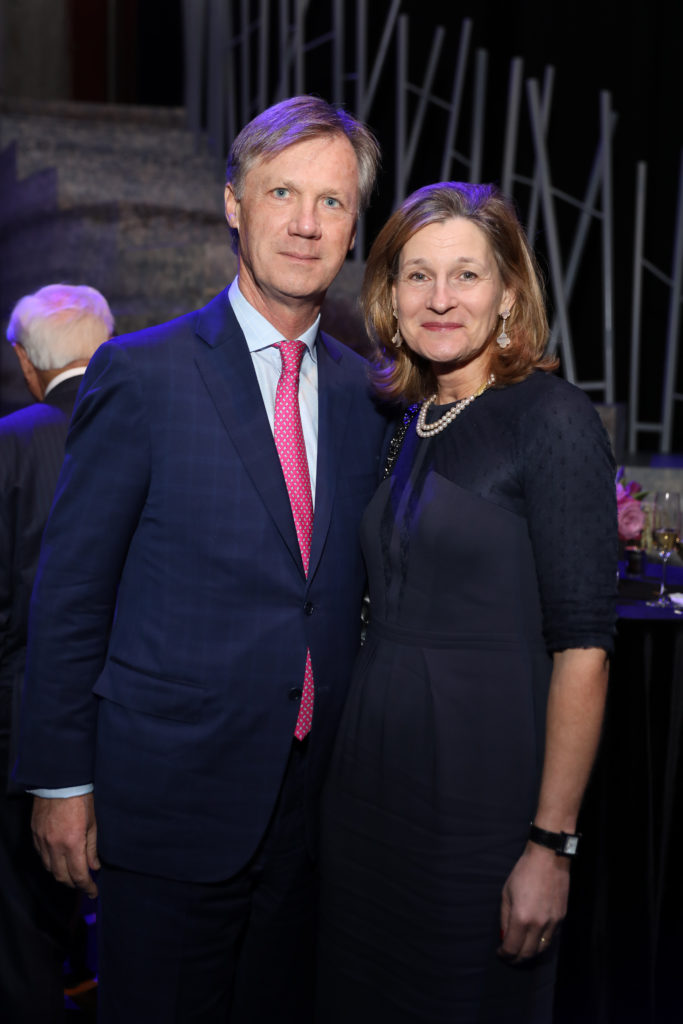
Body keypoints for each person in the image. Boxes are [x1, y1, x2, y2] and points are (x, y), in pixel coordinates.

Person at [14, 96, 386, 1023]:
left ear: (353, 227)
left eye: (332, 203)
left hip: (314, 818)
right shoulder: (140, 375)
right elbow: (69, 594)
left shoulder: (363, 393)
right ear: (232, 202)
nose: (306, 223)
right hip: (168, 806)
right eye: (282, 192)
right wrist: (61, 782)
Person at [317, 182, 617, 1023]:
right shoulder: (402, 422)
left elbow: (585, 646)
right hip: (369, 793)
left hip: (482, 800)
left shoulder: (549, 417)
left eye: (464, 275)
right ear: (387, 296)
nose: (440, 299)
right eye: (417, 276)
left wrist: (549, 845)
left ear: (508, 294)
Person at [0, 283, 114, 1023]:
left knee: (19, 930)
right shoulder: (145, 427)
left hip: (20, 720)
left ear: (23, 360)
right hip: (133, 719)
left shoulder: (14, 438)